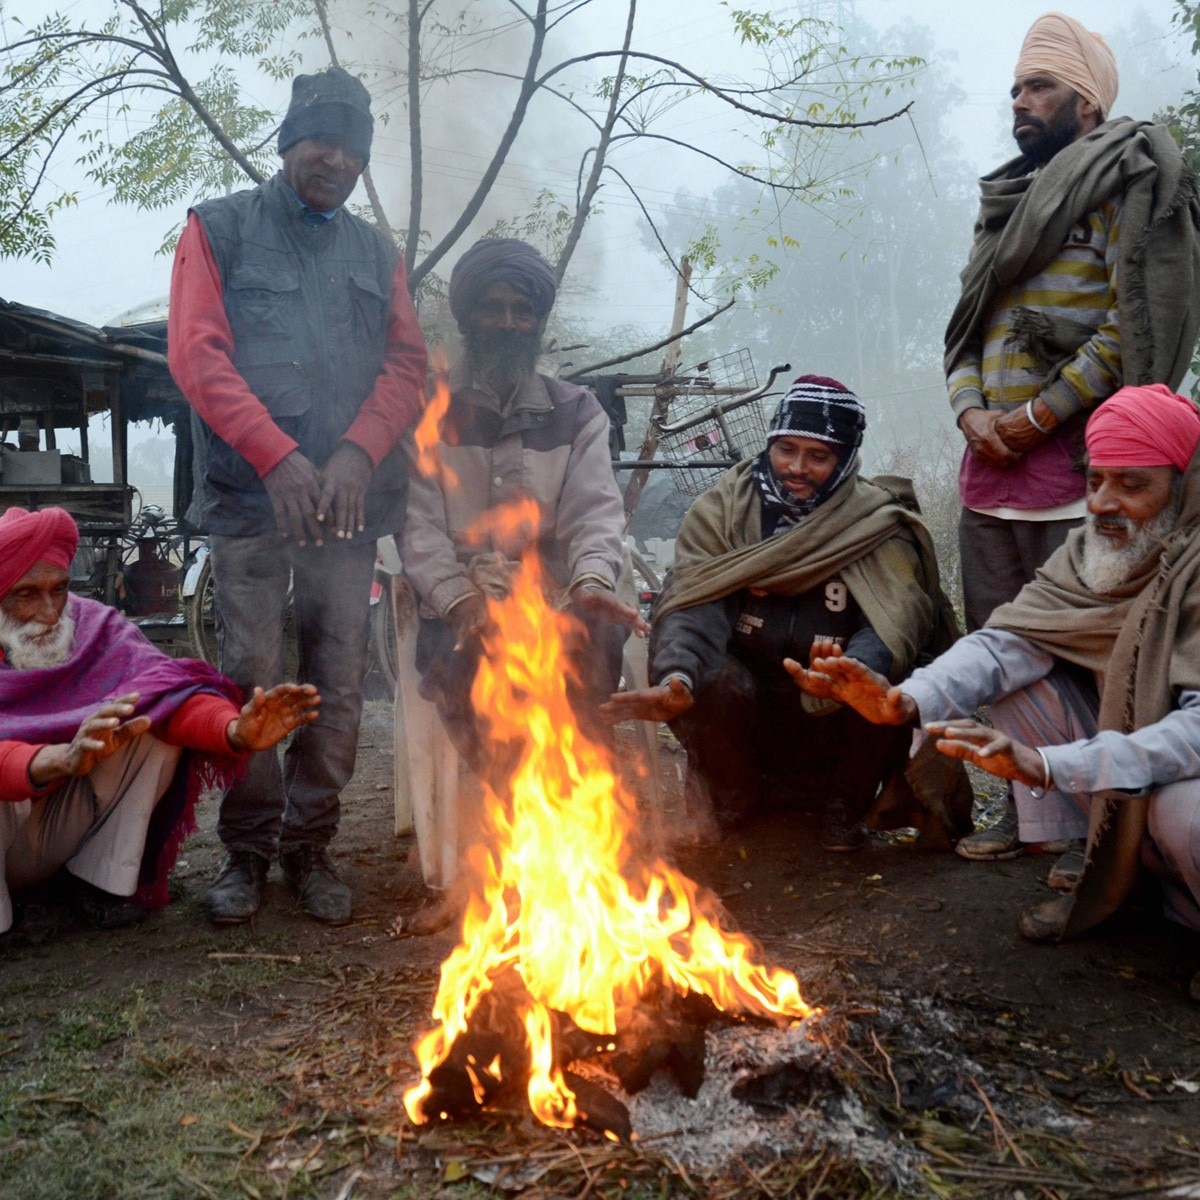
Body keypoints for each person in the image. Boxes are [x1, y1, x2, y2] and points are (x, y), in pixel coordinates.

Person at [788, 384, 1200, 1001]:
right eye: (1095, 481)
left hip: (1186, 766)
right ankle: (1107, 873)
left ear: (1186, 485)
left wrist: (1049, 765)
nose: (1104, 504)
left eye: (1133, 485)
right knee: (1019, 691)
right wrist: (907, 699)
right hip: (1131, 757)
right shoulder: (1093, 552)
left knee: (1182, 813)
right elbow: (1007, 643)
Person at [168, 67, 428, 926]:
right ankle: (245, 853)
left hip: (346, 507)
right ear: (288, 143)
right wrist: (277, 456)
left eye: (354, 149)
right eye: (322, 141)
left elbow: (406, 366)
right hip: (252, 501)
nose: (338, 160)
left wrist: (357, 451)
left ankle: (309, 848)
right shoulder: (221, 230)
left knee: (339, 681)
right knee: (252, 676)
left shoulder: (375, 254)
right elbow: (198, 356)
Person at [944, 12, 1200, 861]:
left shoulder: (1124, 185)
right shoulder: (1002, 201)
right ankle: (1031, 822)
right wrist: (973, 413)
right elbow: (970, 326)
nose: (1022, 101)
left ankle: (1109, 834)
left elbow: (1128, 325)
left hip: (1082, 468)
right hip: (992, 469)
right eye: (1016, 87)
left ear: (1086, 103)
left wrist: (1039, 415)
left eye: (1041, 86)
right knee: (1004, 640)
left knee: (1099, 649)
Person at [602, 376, 972, 851]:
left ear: (845, 458)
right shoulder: (723, 512)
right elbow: (695, 601)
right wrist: (679, 676)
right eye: (786, 450)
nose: (797, 468)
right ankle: (732, 801)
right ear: (771, 444)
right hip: (745, 714)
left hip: (833, 724)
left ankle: (844, 810)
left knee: (888, 687)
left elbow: (898, 621)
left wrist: (853, 671)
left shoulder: (878, 523)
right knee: (709, 678)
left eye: (818, 456)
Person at [399, 237, 647, 930]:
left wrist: (592, 583)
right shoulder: (431, 412)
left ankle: (578, 844)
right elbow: (417, 532)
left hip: (561, 595)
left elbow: (598, 515)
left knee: (587, 656)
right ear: (469, 316)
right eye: (494, 307)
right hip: (465, 595)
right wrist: (462, 600)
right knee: (458, 670)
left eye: (522, 310)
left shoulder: (579, 411)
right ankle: (515, 853)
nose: (509, 322)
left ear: (539, 321)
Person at [0, 507, 320, 935]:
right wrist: (55, 760)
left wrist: (233, 731)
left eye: (58, 590)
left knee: (153, 717)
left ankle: (100, 888)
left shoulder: (93, 626)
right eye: (26, 595)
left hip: (53, 828)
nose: (50, 611)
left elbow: (168, 691)